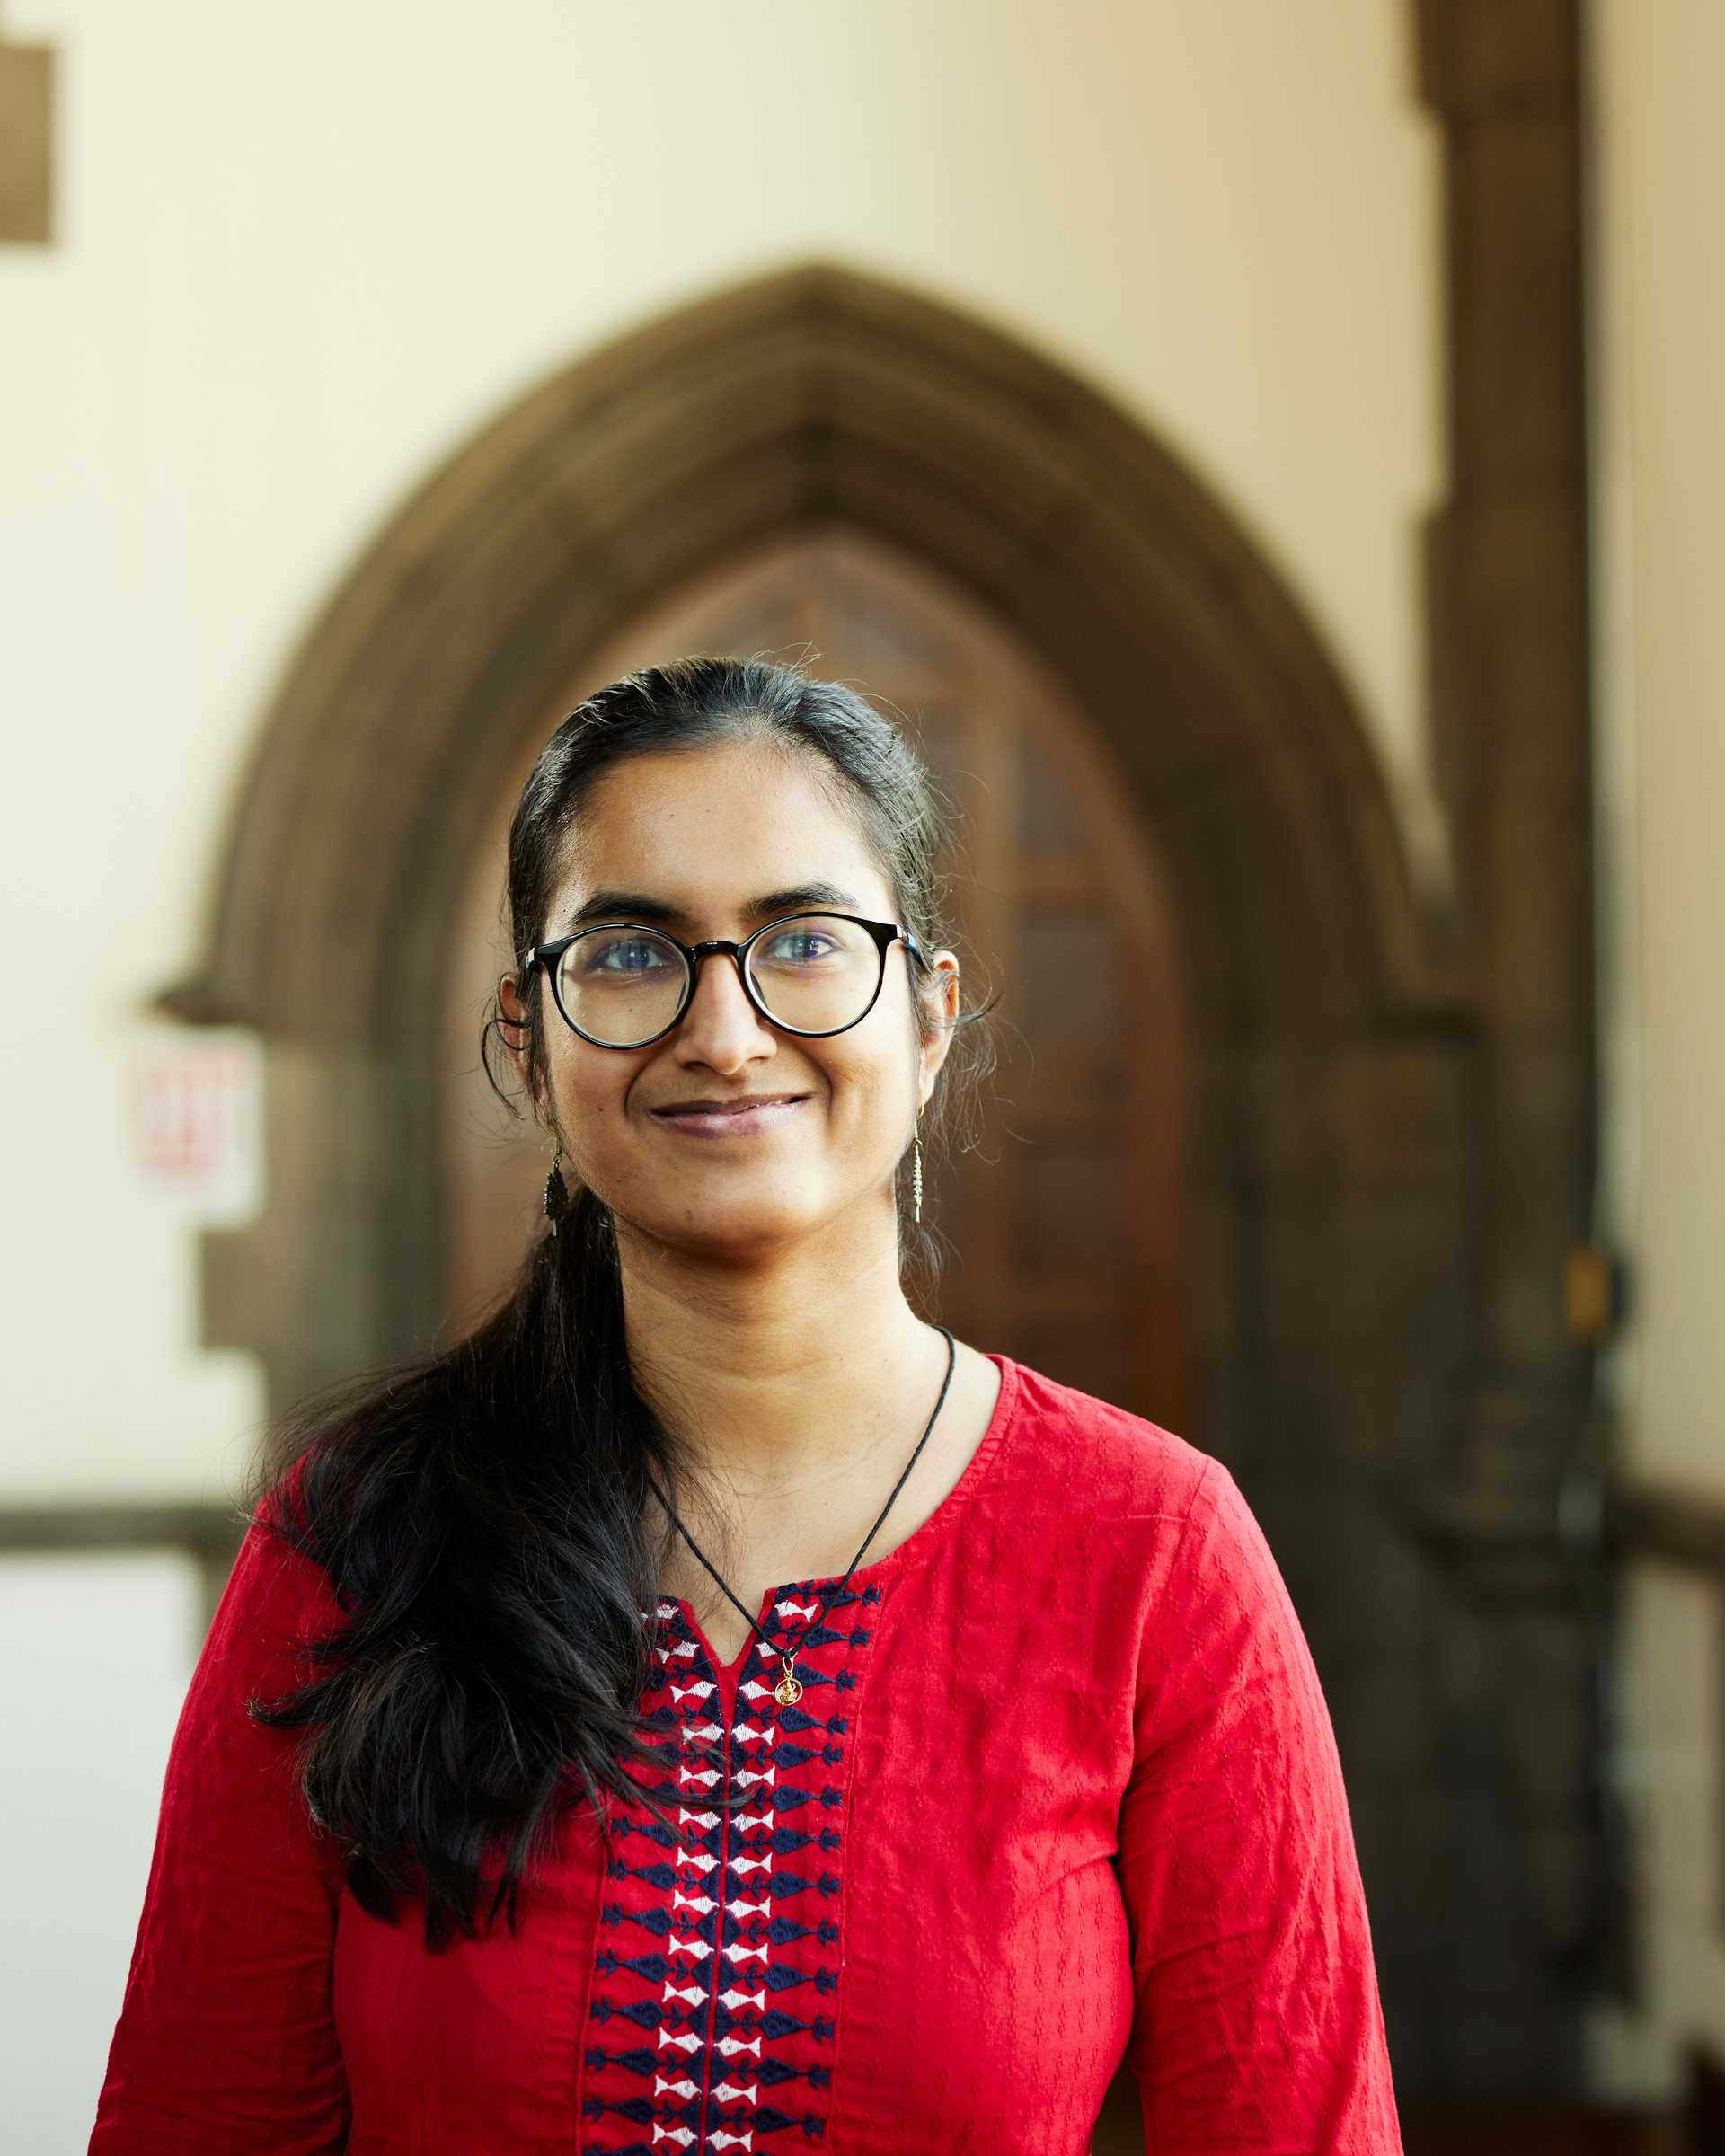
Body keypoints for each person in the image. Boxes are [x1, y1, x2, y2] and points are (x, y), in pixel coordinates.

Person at [89, 655, 1404, 2153]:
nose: (724, 1031)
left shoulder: (1155, 1551)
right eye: (632, 954)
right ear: (528, 1036)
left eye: (803, 940)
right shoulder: (359, 1534)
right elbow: (198, 2119)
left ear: (931, 1016)